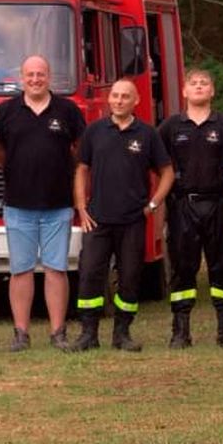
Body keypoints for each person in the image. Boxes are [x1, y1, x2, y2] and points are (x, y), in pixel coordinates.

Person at [0, 55, 86, 351]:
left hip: (58, 204)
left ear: (49, 76)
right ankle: (21, 333)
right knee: (21, 270)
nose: (35, 79)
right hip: (18, 205)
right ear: (22, 77)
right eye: (30, 74)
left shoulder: (67, 110)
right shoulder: (6, 112)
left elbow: (80, 153)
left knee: (57, 269)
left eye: (40, 74)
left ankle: (58, 332)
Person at [71, 79, 174, 351]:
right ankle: (88, 334)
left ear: (136, 100)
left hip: (132, 220)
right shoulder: (94, 131)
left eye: (125, 96)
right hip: (98, 219)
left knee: (129, 277)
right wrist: (81, 207)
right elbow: (82, 169)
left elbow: (167, 172)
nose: (119, 100)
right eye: (115, 95)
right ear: (109, 100)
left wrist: (152, 205)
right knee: (90, 275)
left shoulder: (148, 134)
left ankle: (122, 333)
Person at [158, 68, 223, 348]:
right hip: (182, 206)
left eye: (205, 83)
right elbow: (160, 168)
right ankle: (180, 331)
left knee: (222, 267)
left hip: (219, 205)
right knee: (183, 268)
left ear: (213, 91)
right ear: (184, 91)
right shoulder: (170, 127)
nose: (199, 87)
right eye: (194, 83)